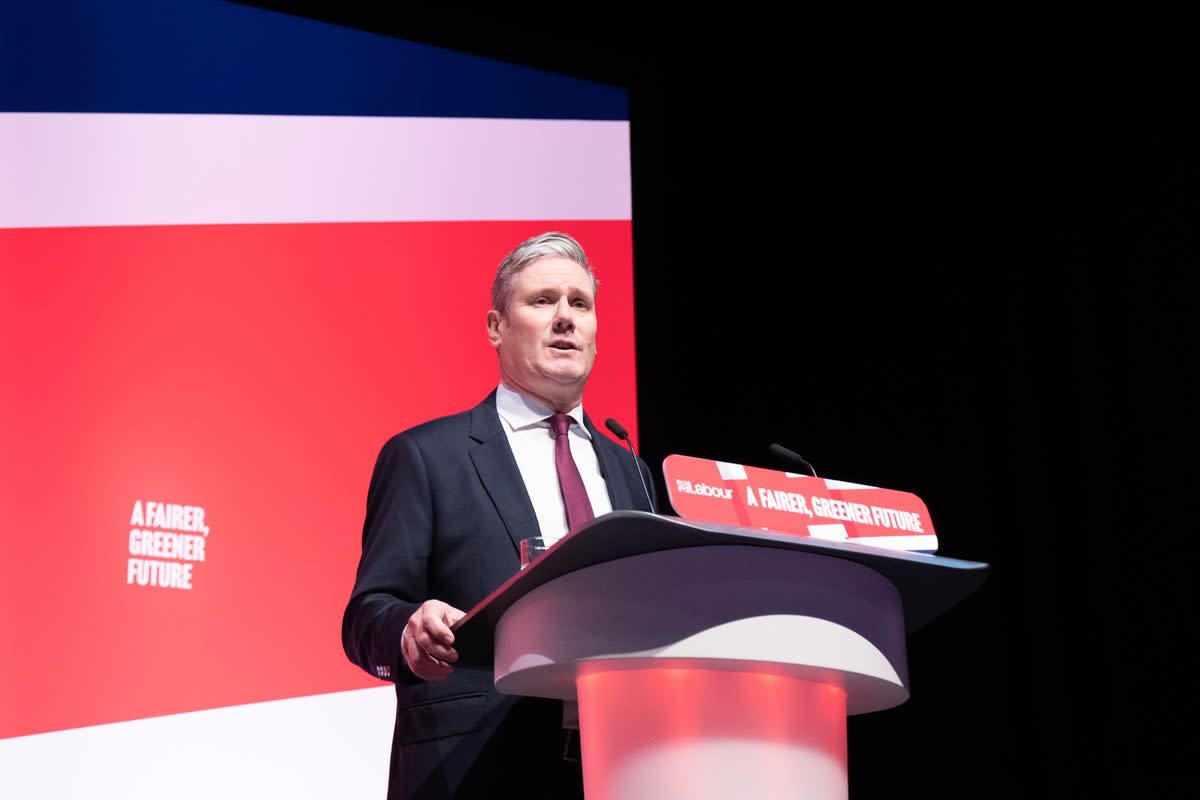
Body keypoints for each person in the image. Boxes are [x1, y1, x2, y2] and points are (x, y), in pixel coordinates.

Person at [342, 231, 658, 800]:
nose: (565, 318)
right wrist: (409, 630)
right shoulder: (427, 456)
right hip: (477, 771)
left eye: (580, 304)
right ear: (496, 327)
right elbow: (366, 617)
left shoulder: (631, 468)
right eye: (542, 302)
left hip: (618, 769)